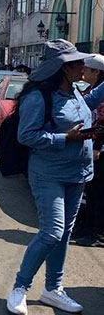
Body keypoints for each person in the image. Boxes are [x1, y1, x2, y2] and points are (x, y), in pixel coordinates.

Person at [6, 39, 104, 315]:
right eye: (77, 63)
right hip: (49, 174)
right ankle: (19, 287)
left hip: (78, 173)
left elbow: (89, 104)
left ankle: (53, 289)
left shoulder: (74, 91)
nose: (84, 66)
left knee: (64, 234)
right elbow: (27, 135)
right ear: (63, 68)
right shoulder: (38, 97)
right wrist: (65, 137)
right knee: (52, 232)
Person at [71, 54, 104, 247]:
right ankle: (88, 225)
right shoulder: (92, 91)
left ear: (97, 72)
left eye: (87, 70)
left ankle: (97, 233)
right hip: (90, 148)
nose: (83, 72)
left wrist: (99, 147)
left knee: (99, 193)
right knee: (91, 190)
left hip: (99, 150)